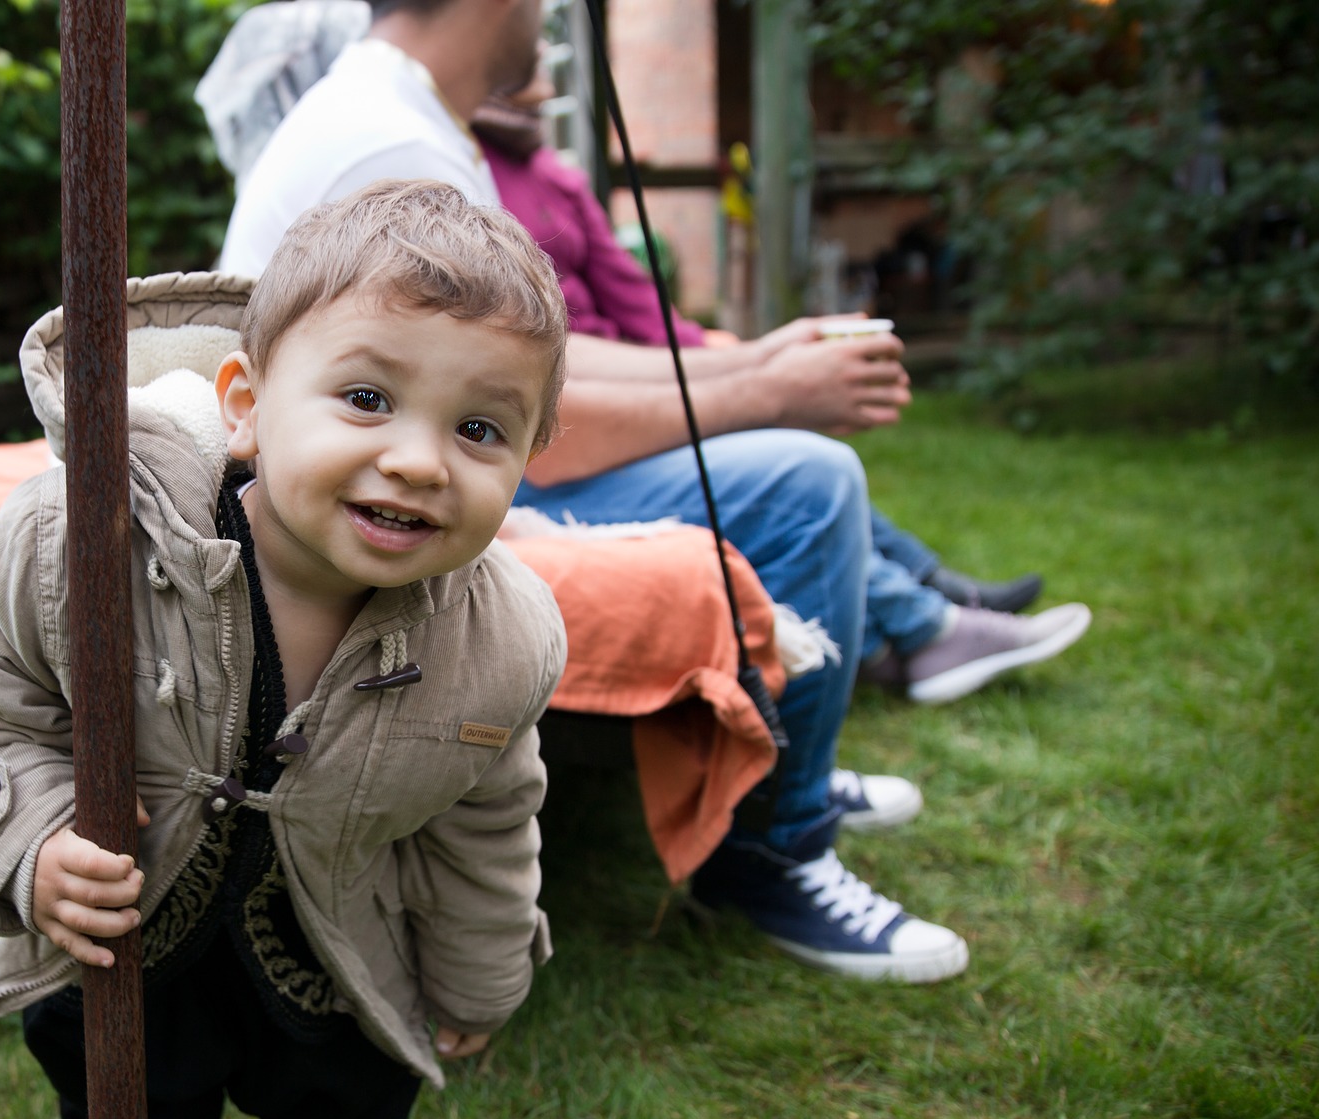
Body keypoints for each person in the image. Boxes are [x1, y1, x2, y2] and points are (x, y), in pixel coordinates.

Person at [220, 0, 970, 984]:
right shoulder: (387, 140)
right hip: (345, 496)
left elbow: (529, 375)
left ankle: (795, 760)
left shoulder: (402, 112)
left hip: (404, 451)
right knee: (806, 482)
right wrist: (763, 393)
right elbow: (513, 432)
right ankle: (771, 846)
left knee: (780, 445)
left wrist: (752, 365)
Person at [0, 181, 570, 1119]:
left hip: (331, 916)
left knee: (348, 1069)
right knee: (111, 1056)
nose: (418, 459)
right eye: (365, 396)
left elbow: (491, 814)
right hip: (130, 910)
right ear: (246, 404)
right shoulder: (89, 534)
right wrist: (29, 840)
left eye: (481, 427)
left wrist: (480, 973)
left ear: (531, 451)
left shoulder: (496, 638)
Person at [467, 83, 1093, 709]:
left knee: (771, 436)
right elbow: (545, 370)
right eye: (534, 73)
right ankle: (923, 624)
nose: (549, 85)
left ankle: (932, 599)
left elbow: (636, 297)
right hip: (571, 423)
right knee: (791, 465)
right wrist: (757, 384)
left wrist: (726, 356)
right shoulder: (455, 164)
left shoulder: (550, 173)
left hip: (622, 375)